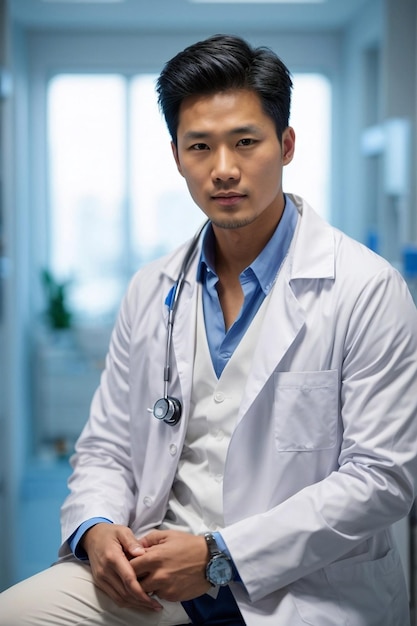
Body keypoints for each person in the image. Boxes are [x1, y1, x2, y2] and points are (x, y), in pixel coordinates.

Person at [1, 33, 417, 626]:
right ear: (177, 157)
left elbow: (381, 479)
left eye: (246, 142)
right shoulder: (152, 288)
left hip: (304, 589)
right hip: (156, 568)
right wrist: (95, 528)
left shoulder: (366, 289)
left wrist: (221, 556)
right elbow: (106, 446)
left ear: (287, 144)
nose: (224, 170)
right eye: (200, 146)